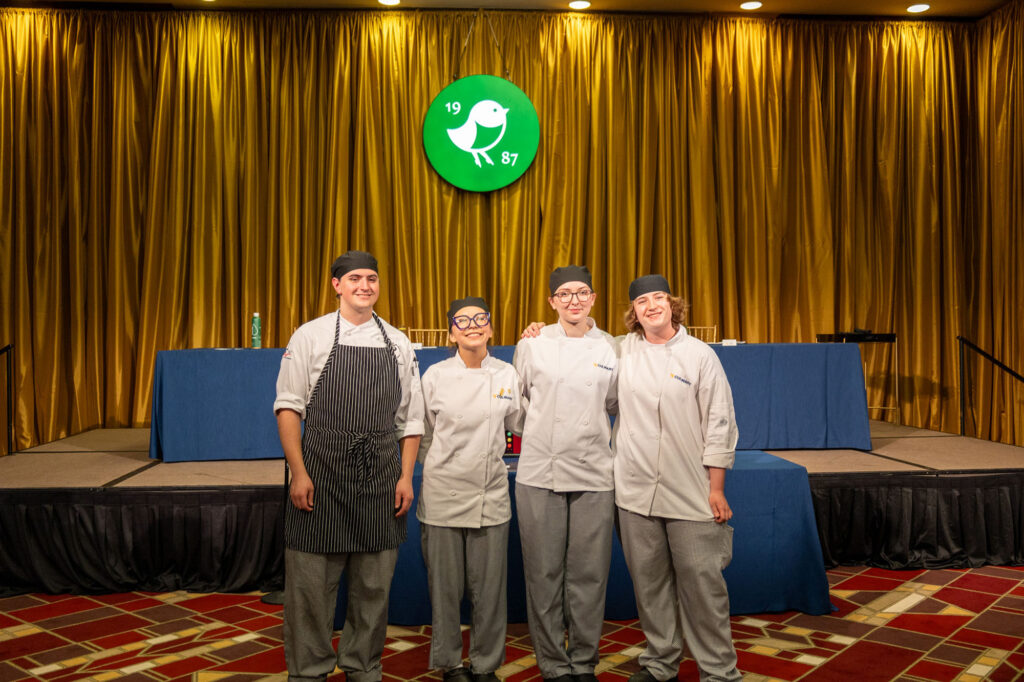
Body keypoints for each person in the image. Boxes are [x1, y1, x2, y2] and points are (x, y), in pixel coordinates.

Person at [273, 250, 424, 682]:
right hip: (320, 471)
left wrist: (405, 476)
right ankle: (308, 671)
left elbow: (410, 418)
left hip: (379, 472)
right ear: (336, 285)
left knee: (374, 588)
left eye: (372, 278)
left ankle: (364, 667)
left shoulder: (396, 341)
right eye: (354, 278)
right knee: (310, 590)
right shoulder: (310, 335)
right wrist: (299, 473)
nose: (364, 285)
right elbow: (288, 407)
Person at [613, 274, 741, 682]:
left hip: (690, 492)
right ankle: (660, 663)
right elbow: (578, 348)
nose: (651, 306)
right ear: (633, 312)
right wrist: (539, 331)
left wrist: (716, 487)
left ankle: (719, 672)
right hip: (634, 492)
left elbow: (720, 423)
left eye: (658, 298)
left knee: (703, 589)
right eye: (642, 302)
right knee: (649, 587)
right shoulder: (620, 351)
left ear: (672, 304)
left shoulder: (700, 355)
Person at [513, 265, 618, 682]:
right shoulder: (533, 344)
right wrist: (541, 433)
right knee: (543, 573)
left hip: (595, 472)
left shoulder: (610, 346)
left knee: (590, 574)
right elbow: (517, 406)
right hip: (540, 471)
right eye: (565, 294)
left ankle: (584, 662)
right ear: (552, 301)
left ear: (593, 298)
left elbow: (613, 403)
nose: (574, 301)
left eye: (582, 293)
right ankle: (553, 664)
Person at [417, 296, 525, 682]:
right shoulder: (435, 376)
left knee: (490, 591)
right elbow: (422, 435)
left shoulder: (507, 374)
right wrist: (438, 468)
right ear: (451, 332)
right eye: (463, 321)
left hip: (490, 494)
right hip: (443, 494)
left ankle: (485, 663)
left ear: (491, 328)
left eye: (481, 319)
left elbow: (519, 425)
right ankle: (449, 663)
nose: (473, 326)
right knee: (445, 590)